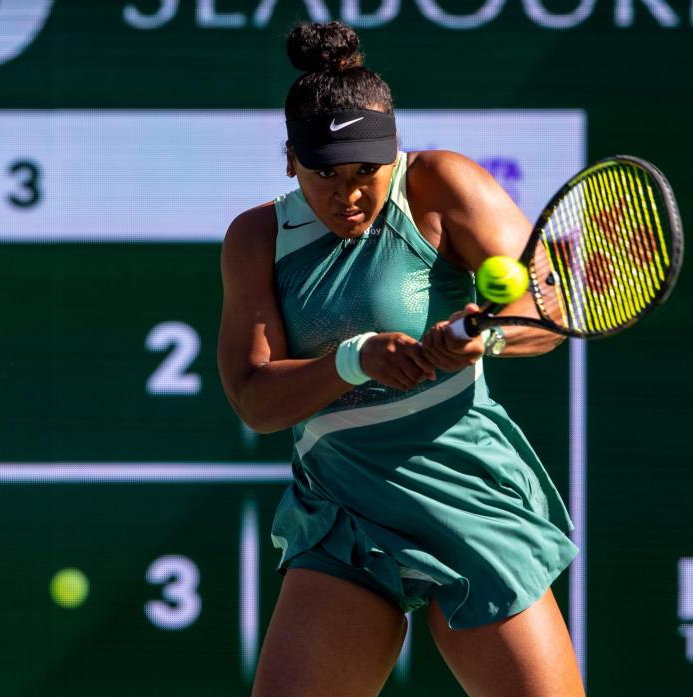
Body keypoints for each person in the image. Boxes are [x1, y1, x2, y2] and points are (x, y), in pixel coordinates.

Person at [218, 20, 584, 697]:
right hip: (345, 517)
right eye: (325, 173)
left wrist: (489, 337)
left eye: (368, 171)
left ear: (396, 152)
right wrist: (353, 360)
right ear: (290, 161)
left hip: (467, 497)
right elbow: (253, 398)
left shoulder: (442, 184)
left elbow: (549, 308)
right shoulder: (256, 239)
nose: (349, 194)